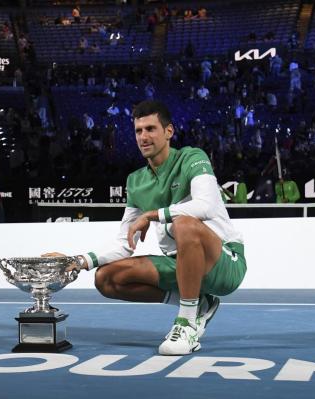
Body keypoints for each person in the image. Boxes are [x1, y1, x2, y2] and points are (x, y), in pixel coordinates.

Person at [42, 100, 246, 356]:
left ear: (168, 131)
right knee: (106, 279)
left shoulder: (193, 158)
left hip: (224, 261)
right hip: (181, 263)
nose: (143, 137)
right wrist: (79, 261)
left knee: (183, 224)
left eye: (151, 129)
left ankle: (187, 323)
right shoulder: (136, 181)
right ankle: (200, 303)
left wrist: (153, 215)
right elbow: (125, 243)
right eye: (138, 131)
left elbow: (204, 206)